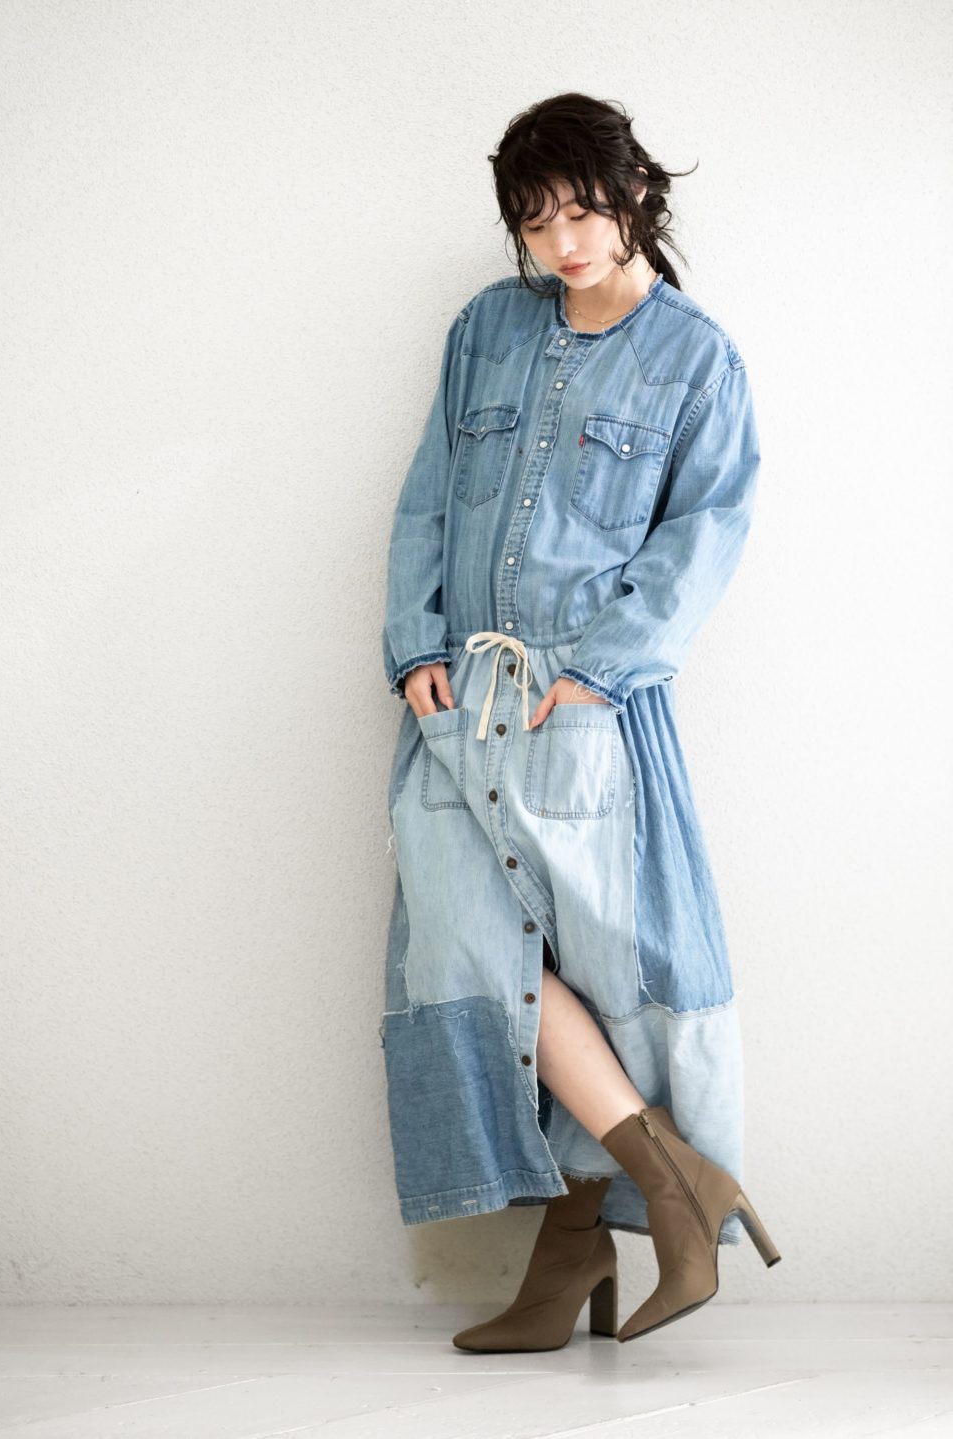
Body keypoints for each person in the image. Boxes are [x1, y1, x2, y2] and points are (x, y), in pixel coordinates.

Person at [378, 92, 781, 1353]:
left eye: (582, 214)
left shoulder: (696, 360)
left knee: (608, 975)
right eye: (535, 222)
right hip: (458, 704)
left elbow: (704, 535)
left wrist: (602, 671)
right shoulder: (487, 330)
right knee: (465, 958)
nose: (562, 244)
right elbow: (428, 496)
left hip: (585, 710)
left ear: (636, 193)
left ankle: (576, 1258)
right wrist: (414, 646)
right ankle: (672, 1184)